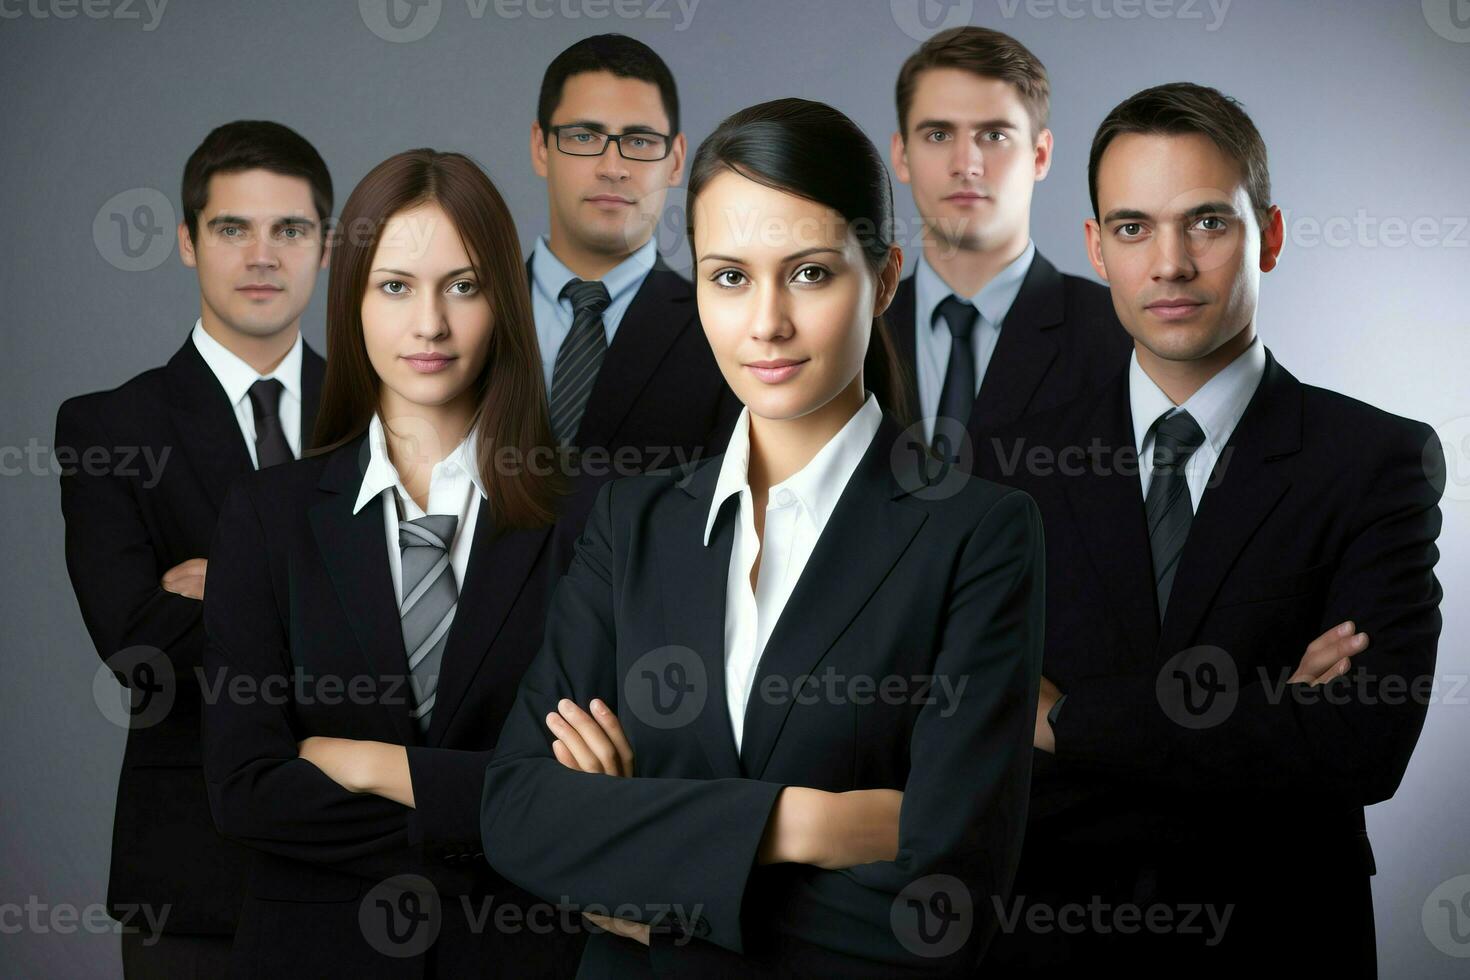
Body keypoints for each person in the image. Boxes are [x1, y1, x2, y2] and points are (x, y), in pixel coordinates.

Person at [482, 98, 1045, 977]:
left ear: (887, 278)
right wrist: (805, 824)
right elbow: (515, 808)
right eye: (730, 277)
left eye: (812, 274)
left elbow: (945, 900)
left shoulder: (976, 534)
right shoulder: (631, 522)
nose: (767, 323)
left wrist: (640, 862)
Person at [977, 83, 1444, 976]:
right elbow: (964, 721)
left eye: (1207, 223)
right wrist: (1270, 708)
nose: (1170, 264)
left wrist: (1067, 721)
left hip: (1281, 937)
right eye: (1132, 228)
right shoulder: (1006, 467)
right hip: (1047, 942)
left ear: (1268, 234)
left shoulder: (1376, 461)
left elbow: (1359, 745)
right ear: (1095, 249)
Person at [201, 149, 582, 977]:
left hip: (518, 958)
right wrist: (497, 814)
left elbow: (590, 800)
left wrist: (367, 765)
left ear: (504, 305)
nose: (430, 325)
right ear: (353, 300)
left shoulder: (588, 522)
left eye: (465, 286)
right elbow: (245, 787)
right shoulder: (267, 517)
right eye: (396, 286)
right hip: (312, 954)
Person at [56, 119, 332, 978]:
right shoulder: (111, 425)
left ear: (324, 248)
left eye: (289, 229)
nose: (262, 255)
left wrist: (240, 584)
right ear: (185, 242)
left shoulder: (383, 419)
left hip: (366, 859)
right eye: (231, 229)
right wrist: (335, 596)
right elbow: (138, 647)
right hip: (191, 876)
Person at [882, 26, 1130, 463]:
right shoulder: (856, 333)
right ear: (902, 155)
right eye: (938, 134)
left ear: (1040, 155)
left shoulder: (1120, 337)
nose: (966, 165)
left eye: (994, 135)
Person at [528, 34, 740, 536]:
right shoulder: (461, 314)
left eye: (640, 141)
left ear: (675, 158)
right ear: (541, 147)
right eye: (584, 136)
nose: (613, 167)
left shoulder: (724, 330)